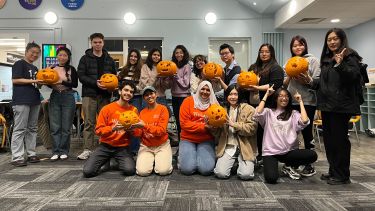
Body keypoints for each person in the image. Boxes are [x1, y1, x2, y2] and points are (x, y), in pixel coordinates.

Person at [309, 28, 362, 185]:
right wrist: (310, 81)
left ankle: (342, 175)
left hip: (341, 106)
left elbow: (353, 76)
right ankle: (334, 170)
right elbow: (326, 82)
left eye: (335, 39)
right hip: (327, 105)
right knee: (330, 141)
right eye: (329, 39)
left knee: (340, 141)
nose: (332, 42)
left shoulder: (349, 56)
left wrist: (340, 64)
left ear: (342, 39)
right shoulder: (327, 58)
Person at [253, 86, 317, 184]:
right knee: (271, 178)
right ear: (276, 98)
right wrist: (266, 94)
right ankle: (284, 166)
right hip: (271, 152)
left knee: (312, 155)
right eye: (281, 96)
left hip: (288, 152)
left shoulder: (293, 113)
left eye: (287, 96)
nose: (284, 98)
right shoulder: (268, 112)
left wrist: (300, 102)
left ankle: (288, 165)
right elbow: (257, 112)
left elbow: (304, 121)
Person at [82, 81, 140, 178]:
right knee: (88, 172)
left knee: (129, 170)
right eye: (126, 90)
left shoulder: (134, 110)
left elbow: (137, 133)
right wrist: (112, 128)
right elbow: (98, 130)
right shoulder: (107, 108)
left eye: (131, 92)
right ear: (120, 91)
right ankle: (107, 159)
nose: (128, 93)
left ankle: (115, 159)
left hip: (122, 147)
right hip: (105, 146)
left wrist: (131, 130)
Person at [283, 35, 321, 176]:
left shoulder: (313, 60)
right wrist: (289, 76)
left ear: (305, 46)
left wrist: (307, 79)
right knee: (292, 133)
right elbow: (284, 85)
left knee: (306, 132)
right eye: (295, 45)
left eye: (300, 44)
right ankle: (294, 161)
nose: (298, 47)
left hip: (307, 101)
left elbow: (317, 83)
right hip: (291, 101)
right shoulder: (288, 62)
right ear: (291, 48)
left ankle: (309, 163)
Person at [77, 33, 117, 160]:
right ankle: (87, 149)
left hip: (105, 96)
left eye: (99, 42)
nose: (97, 44)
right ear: (91, 43)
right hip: (89, 94)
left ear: (103, 43)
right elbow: (81, 76)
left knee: (105, 123)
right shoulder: (85, 59)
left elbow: (114, 77)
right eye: (95, 42)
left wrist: (112, 87)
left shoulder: (109, 59)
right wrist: (95, 83)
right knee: (89, 122)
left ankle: (104, 147)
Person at [248, 43, 284, 164]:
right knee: (255, 130)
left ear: (271, 53)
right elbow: (247, 78)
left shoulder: (276, 68)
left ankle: (266, 156)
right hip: (252, 103)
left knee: (265, 132)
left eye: (267, 52)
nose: (264, 54)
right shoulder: (254, 66)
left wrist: (257, 87)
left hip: (268, 104)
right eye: (261, 51)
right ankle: (256, 155)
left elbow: (275, 85)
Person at [213, 84, 257, 180]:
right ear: (227, 96)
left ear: (240, 95)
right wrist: (211, 127)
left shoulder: (249, 109)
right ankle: (234, 162)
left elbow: (252, 128)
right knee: (221, 173)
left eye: (235, 94)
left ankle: (241, 163)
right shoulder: (222, 110)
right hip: (228, 147)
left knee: (246, 175)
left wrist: (235, 125)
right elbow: (218, 134)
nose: (233, 97)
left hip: (244, 148)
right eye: (230, 94)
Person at [10, 42, 43, 167]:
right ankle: (17, 156)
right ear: (26, 51)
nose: (34, 55)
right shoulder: (19, 64)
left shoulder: (35, 68)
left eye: (37, 54)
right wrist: (34, 80)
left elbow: (36, 85)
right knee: (20, 128)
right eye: (32, 52)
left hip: (34, 100)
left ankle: (31, 153)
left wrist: (41, 82)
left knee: (33, 128)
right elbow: (16, 80)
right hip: (21, 100)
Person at [179, 81, 218, 175]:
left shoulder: (214, 105)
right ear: (199, 89)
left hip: (206, 139)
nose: (205, 92)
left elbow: (217, 125)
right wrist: (204, 126)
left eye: (208, 90)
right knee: (187, 170)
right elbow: (184, 124)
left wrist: (213, 128)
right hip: (188, 139)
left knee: (206, 170)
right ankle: (187, 157)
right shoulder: (188, 101)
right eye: (203, 89)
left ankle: (195, 157)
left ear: (211, 92)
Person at [48, 47, 78, 161]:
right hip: (55, 95)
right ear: (57, 56)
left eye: (65, 55)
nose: (62, 57)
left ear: (68, 57)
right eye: (60, 55)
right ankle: (55, 151)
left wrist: (62, 81)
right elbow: (48, 83)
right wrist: (49, 82)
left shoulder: (71, 69)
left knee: (66, 126)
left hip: (68, 96)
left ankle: (64, 150)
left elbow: (74, 84)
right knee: (55, 126)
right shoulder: (51, 68)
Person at [135, 86, 172, 176]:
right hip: (146, 146)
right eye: (146, 95)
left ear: (156, 95)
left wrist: (145, 126)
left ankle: (160, 160)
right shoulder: (142, 112)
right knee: (142, 172)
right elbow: (139, 133)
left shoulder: (163, 109)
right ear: (144, 98)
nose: (149, 96)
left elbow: (161, 131)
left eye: (151, 93)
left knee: (163, 171)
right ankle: (153, 160)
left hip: (162, 145)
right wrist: (133, 129)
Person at [118, 49, 143, 153]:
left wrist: (131, 90)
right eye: (131, 56)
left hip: (136, 98)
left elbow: (141, 87)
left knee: (134, 123)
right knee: (123, 122)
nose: (133, 58)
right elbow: (118, 85)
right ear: (128, 57)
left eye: (135, 56)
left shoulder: (141, 71)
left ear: (138, 58)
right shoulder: (122, 70)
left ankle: (134, 149)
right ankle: (122, 147)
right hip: (124, 100)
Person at [138, 48, 171, 113]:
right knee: (147, 118)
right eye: (154, 54)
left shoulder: (163, 68)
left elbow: (167, 87)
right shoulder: (145, 67)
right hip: (148, 97)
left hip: (161, 97)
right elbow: (145, 85)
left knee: (162, 116)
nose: (156, 56)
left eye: (158, 55)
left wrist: (166, 78)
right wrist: (157, 78)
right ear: (150, 55)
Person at [171, 45, 191, 142]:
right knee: (178, 122)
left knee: (184, 121)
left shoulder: (187, 66)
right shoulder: (173, 66)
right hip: (174, 96)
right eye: (176, 53)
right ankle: (180, 143)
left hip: (184, 97)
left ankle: (186, 142)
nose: (178, 54)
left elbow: (186, 85)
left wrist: (176, 77)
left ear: (184, 54)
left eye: (181, 52)